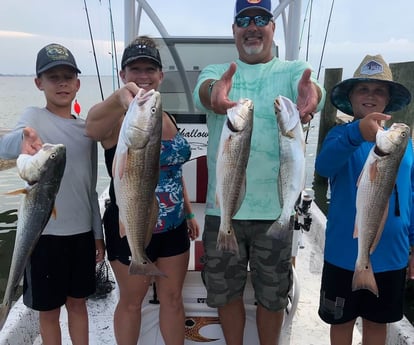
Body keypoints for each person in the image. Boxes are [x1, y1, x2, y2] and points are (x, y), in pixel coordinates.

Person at [192, 0, 325, 344]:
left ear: (272, 28)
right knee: (224, 294)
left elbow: (314, 90)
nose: (252, 26)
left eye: (261, 19)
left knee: (273, 294)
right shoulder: (217, 71)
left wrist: (313, 94)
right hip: (224, 210)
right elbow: (204, 93)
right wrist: (215, 95)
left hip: (276, 212)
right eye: (244, 20)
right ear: (234, 30)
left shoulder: (293, 69)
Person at [85, 36, 200, 345]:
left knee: (173, 299)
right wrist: (118, 100)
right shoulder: (119, 120)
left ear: (161, 75)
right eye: (134, 69)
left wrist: (188, 211)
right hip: (129, 222)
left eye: (150, 69)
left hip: (173, 226)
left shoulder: (165, 116)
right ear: (123, 75)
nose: (143, 76)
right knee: (131, 301)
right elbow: (91, 127)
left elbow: (174, 171)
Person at [0, 43, 105, 345]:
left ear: (77, 84)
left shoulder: (88, 131)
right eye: (53, 77)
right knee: (48, 311)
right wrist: (22, 140)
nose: (61, 83)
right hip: (43, 237)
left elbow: (90, 188)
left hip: (82, 235)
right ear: (38, 83)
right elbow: (5, 147)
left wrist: (97, 235)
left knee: (78, 304)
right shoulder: (32, 117)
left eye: (67, 77)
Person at [315, 54, 414, 345]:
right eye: (363, 89)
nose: (371, 95)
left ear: (388, 100)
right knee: (341, 321)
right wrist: (357, 132)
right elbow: (323, 166)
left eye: (379, 90)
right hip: (344, 255)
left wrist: (412, 245)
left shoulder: (403, 145)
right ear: (351, 97)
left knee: (377, 324)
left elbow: (410, 197)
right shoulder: (339, 137)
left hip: (392, 256)